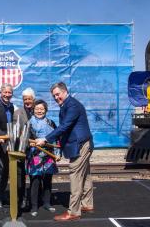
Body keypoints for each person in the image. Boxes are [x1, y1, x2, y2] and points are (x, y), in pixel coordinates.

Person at [35, 82, 94, 221]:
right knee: (85, 175)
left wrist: (45, 139)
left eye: (58, 94)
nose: (56, 97)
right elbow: (66, 129)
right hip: (82, 143)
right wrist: (60, 147)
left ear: (65, 91)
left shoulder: (72, 105)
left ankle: (73, 212)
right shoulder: (66, 105)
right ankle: (87, 204)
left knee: (75, 174)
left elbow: (65, 126)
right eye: (54, 95)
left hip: (80, 145)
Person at [27, 99, 58, 217]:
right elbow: (26, 139)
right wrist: (29, 144)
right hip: (34, 156)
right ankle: (34, 206)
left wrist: (57, 152)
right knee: (35, 182)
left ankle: (47, 203)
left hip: (49, 155)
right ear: (33, 110)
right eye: (37, 109)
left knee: (47, 181)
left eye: (42, 109)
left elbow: (56, 137)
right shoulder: (29, 123)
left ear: (46, 110)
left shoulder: (51, 122)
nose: (39, 111)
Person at [13, 87, 36, 210]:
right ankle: (21, 199)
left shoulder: (38, 110)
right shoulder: (18, 113)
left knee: (35, 176)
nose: (27, 101)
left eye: (29, 99)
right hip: (22, 148)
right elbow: (16, 132)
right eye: (25, 99)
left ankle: (34, 200)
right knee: (20, 176)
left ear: (34, 99)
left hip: (36, 150)